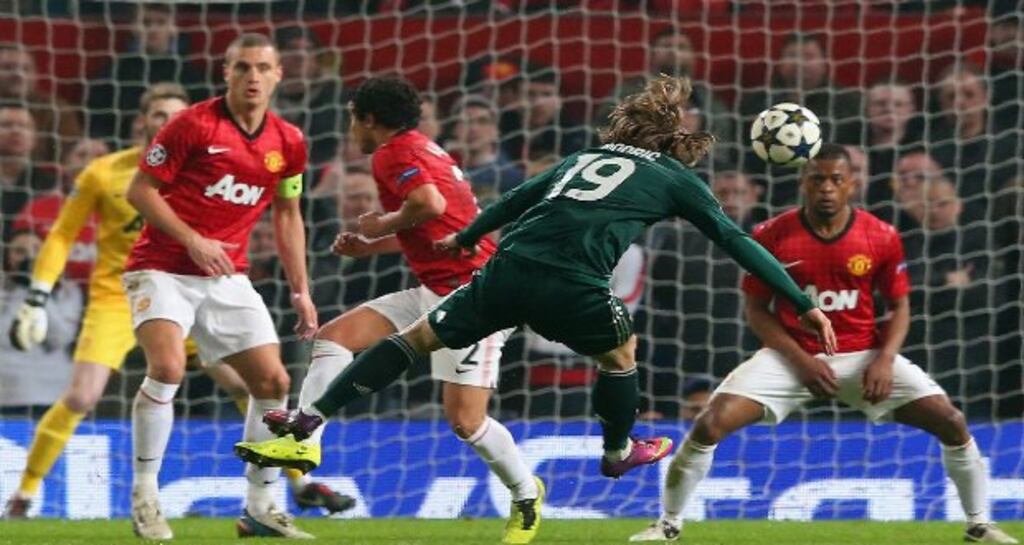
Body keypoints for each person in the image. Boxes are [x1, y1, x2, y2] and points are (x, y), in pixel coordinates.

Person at [236, 75, 835, 498]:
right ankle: (618, 450)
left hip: (505, 268)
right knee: (621, 356)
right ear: (670, 142)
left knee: (417, 339)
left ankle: (314, 418)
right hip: (572, 287)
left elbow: (516, 198)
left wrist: (468, 237)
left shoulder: (584, 156)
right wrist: (801, 301)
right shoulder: (675, 178)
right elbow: (737, 241)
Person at [629, 144, 1017, 544]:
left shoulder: (881, 235)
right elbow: (757, 310)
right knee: (710, 423)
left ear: (852, 184)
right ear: (803, 184)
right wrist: (801, 361)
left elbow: (900, 306)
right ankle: (669, 524)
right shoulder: (771, 234)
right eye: (817, 179)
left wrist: (885, 359)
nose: (827, 188)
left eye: (836, 179)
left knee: (951, 421)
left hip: (863, 355)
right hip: (790, 358)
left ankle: (979, 525)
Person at [1, 81, 348, 522]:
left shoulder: (207, 169)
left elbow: (280, 205)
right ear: (141, 122)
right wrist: (37, 295)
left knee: (249, 383)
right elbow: (63, 234)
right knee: (83, 396)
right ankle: (26, 494)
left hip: (192, 290)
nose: (169, 123)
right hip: (118, 296)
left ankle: (294, 485)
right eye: (159, 115)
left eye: (177, 115)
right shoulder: (104, 172)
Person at [246, 76, 542, 545]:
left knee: (466, 422)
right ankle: (304, 441)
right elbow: (439, 222)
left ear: (367, 119)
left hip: (474, 297)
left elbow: (430, 204)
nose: (349, 130)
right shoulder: (421, 146)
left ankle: (527, 496)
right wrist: (375, 246)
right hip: (434, 288)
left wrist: (382, 221)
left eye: (351, 118)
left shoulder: (392, 152)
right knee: (333, 337)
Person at [119, 34, 318, 539]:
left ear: (278, 76)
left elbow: (288, 215)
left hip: (227, 276)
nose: (253, 77)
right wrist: (191, 239)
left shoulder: (289, 142)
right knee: (166, 367)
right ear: (225, 73)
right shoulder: (192, 124)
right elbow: (139, 190)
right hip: (161, 267)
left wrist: (301, 289)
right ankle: (145, 494)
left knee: (273, 384)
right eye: (242, 67)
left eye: (263, 68)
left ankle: (260, 504)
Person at [86, 3, 208, 145]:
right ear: (134, 27)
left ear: (173, 28)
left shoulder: (191, 76)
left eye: (161, 22)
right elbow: (98, 121)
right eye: (146, 22)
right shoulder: (114, 74)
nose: (153, 29)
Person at [0, 230, 81, 417]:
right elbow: (6, 337)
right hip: (5, 393)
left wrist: (39, 290)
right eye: (20, 251)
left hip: (52, 394)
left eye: (37, 250)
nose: (30, 257)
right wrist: (20, 290)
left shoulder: (68, 290)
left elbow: (59, 339)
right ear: (7, 255)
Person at [272, 25, 347, 167]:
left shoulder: (334, 96)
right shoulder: (260, 93)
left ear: (317, 59)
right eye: (292, 49)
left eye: (309, 50)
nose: (300, 55)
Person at [0, 44, 83, 166]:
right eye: (8, 68)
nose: (18, 75)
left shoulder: (56, 108)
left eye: (26, 69)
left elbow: (70, 153)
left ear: (36, 74)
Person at [446, 94, 525, 204]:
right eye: (466, 122)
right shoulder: (446, 172)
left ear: (496, 131)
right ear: (454, 130)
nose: (474, 128)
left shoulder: (513, 177)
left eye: (482, 121)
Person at [0, 102, 58, 242]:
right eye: (7, 125)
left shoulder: (50, 183)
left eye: (24, 126)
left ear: (35, 138)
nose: (16, 131)